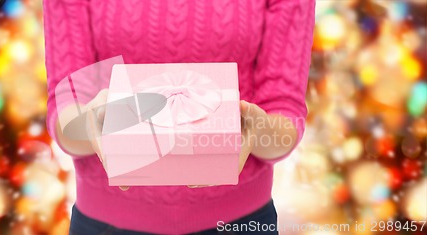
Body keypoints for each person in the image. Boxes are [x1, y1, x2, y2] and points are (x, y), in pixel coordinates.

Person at [43, 0, 315, 234]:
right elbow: (66, 107)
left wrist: (257, 128)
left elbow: (284, 110)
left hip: (240, 221)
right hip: (106, 223)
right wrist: (88, 123)